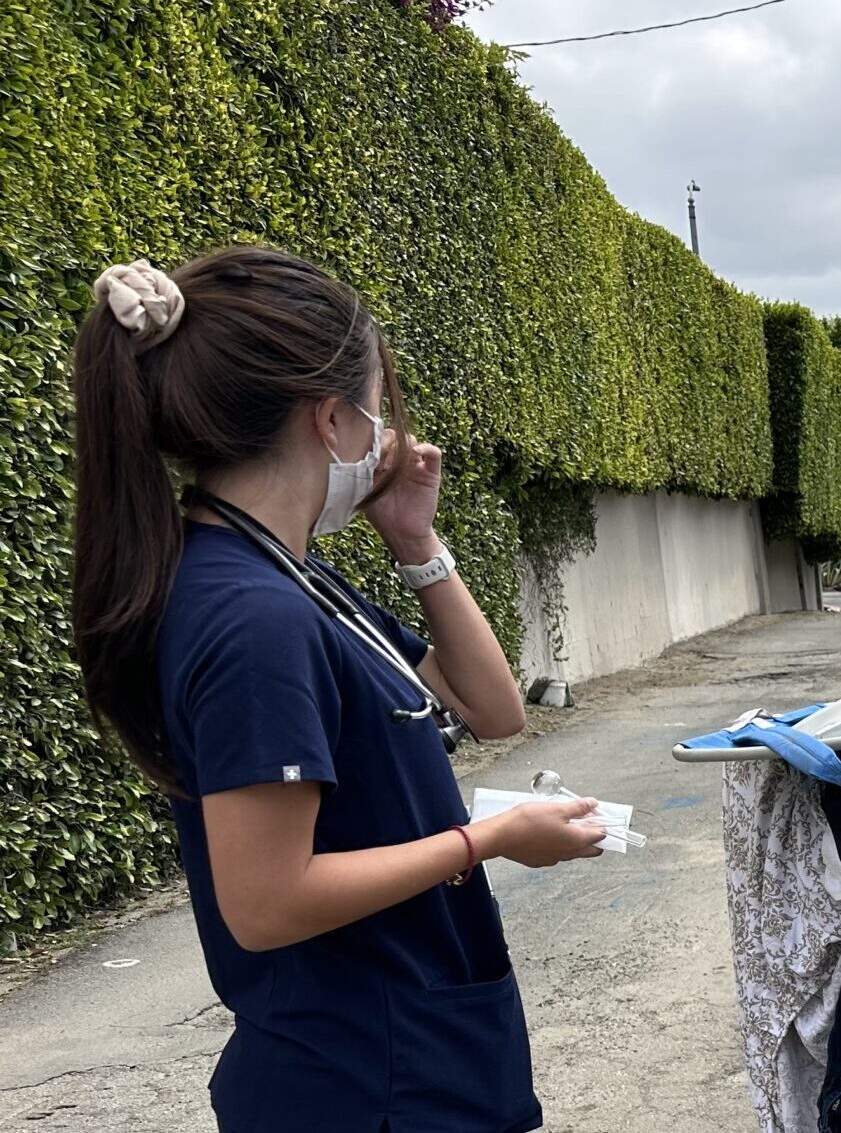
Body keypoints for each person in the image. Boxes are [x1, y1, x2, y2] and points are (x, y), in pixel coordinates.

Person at [69, 248, 608, 1132]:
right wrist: (489, 840)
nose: (385, 434)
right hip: (365, 1076)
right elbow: (267, 903)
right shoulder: (252, 618)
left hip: (405, 1046)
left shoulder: (290, 578)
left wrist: (414, 540)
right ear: (330, 419)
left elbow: (492, 708)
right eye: (374, 406)